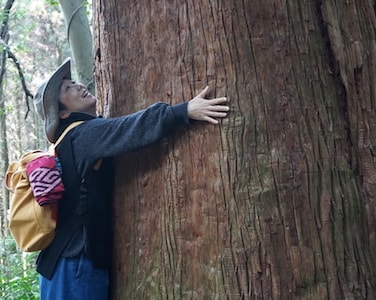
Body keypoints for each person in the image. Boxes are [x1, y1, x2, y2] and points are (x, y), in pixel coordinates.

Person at [32, 58, 229, 299]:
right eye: (67, 88)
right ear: (62, 113)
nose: (78, 85)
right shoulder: (82, 134)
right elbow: (129, 129)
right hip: (75, 262)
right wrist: (182, 111)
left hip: (61, 264)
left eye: (73, 81)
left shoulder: (66, 141)